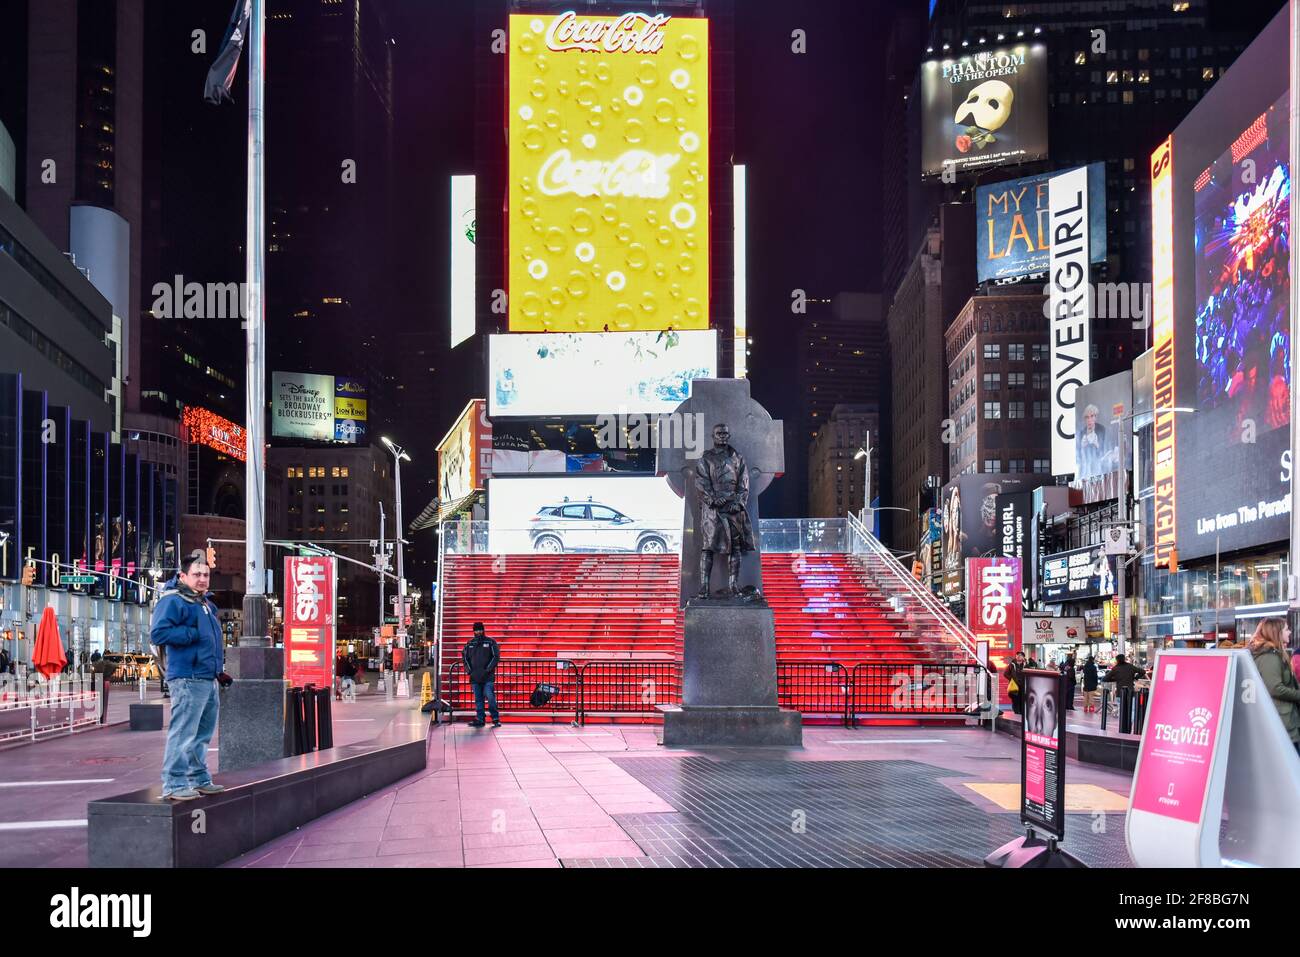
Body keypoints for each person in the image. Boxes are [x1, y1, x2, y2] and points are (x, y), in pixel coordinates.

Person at [151, 550, 230, 801]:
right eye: (197, 574)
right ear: (183, 576)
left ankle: (198, 778)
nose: (202, 578)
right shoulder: (174, 600)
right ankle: (174, 783)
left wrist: (218, 671)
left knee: (202, 733)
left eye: (206, 574)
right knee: (184, 732)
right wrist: (191, 634)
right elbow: (158, 634)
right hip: (187, 677)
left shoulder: (204, 603)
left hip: (206, 677)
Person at [1249, 617, 1300, 755]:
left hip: (1283, 720)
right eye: (1286, 629)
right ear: (1276, 632)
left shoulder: (1273, 654)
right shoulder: (1269, 656)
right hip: (1282, 723)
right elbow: (1275, 688)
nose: (1289, 632)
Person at [461, 621, 500, 728]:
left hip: (488, 677)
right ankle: (480, 719)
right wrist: (469, 671)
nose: (478, 632)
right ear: (473, 631)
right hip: (475, 677)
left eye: (480, 629)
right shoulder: (470, 643)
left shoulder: (491, 642)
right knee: (478, 700)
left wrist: (488, 669)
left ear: (483, 630)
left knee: (490, 697)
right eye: (476, 630)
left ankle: (495, 718)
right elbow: (464, 658)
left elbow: (496, 657)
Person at [1006, 652, 1026, 716]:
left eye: (1020, 655)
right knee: (1015, 699)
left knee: (1023, 698)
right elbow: (1005, 674)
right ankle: (1016, 712)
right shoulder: (1012, 665)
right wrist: (1012, 679)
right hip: (1015, 685)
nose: (1018, 656)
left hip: (1023, 684)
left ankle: (1022, 711)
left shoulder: (1026, 665)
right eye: (1017, 655)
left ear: (1023, 657)